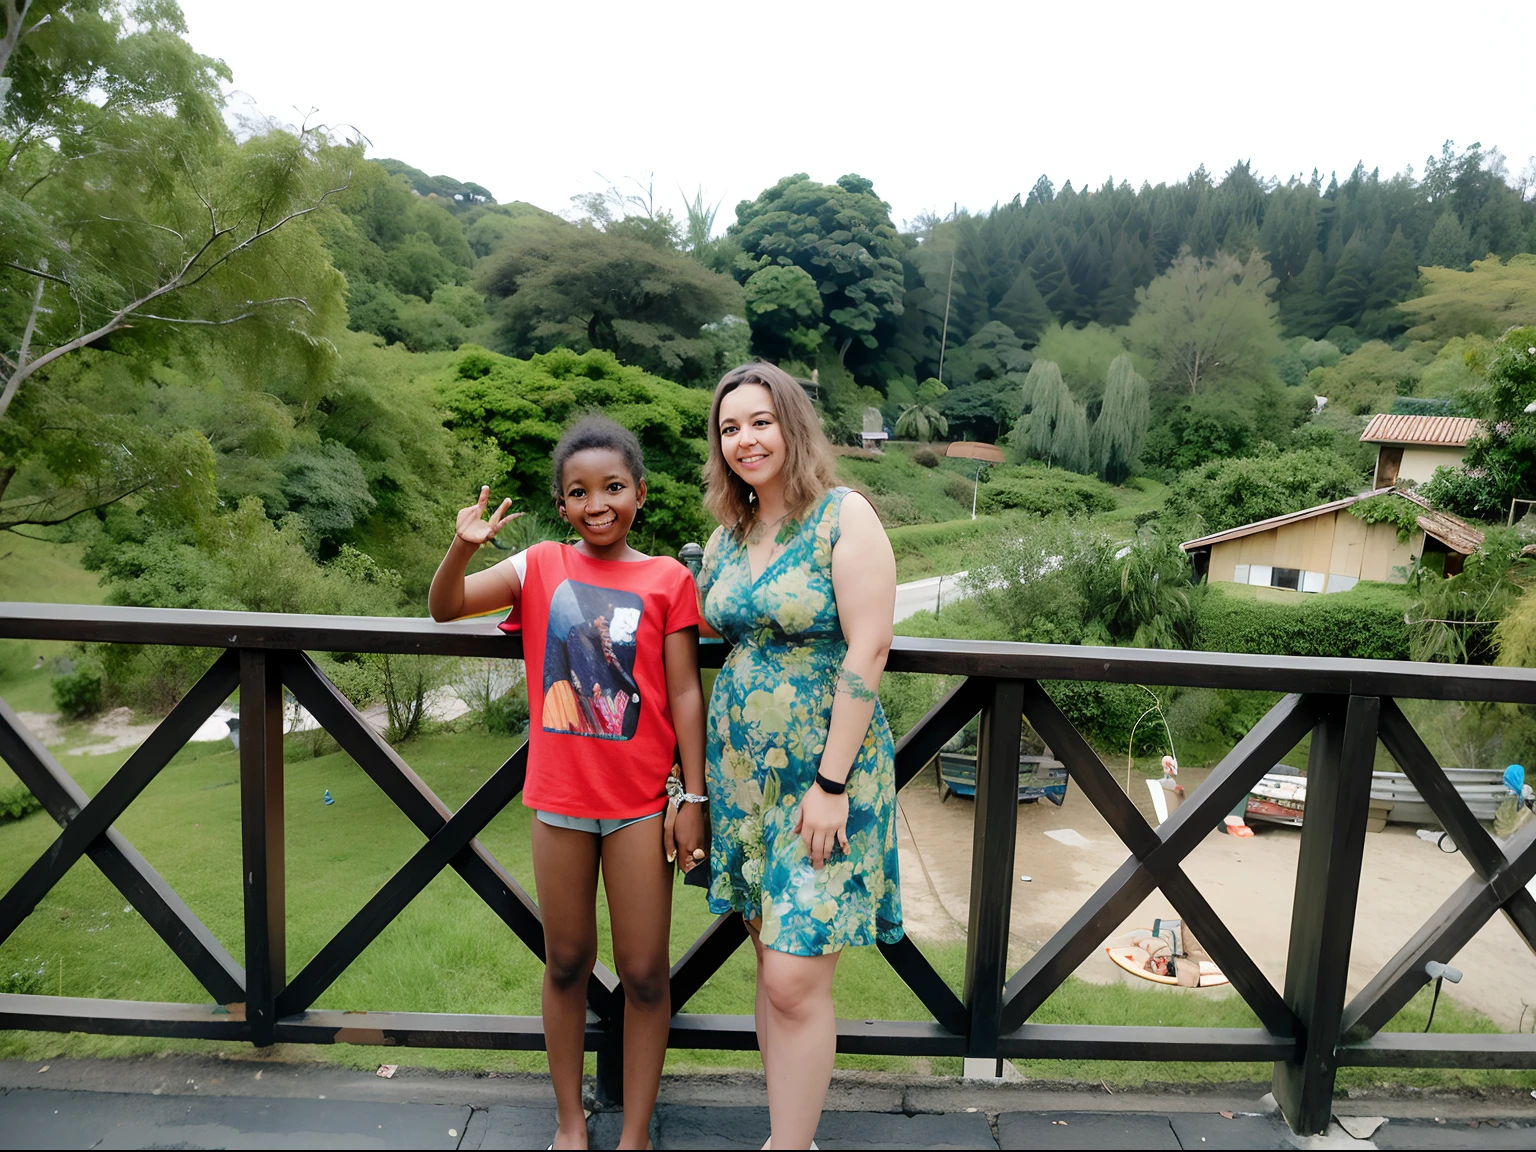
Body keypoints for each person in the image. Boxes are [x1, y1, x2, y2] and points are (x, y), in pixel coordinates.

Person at [428, 415, 708, 1151]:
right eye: (579, 492)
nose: (598, 504)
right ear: (562, 505)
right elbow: (445, 606)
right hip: (559, 803)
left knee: (646, 974)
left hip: (642, 807)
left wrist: (696, 798)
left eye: (614, 487)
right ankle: (570, 1124)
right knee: (566, 963)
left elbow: (683, 695)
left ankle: (636, 1135)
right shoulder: (539, 565)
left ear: (640, 494)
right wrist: (463, 545)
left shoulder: (669, 580)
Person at [695, 363, 902, 1149]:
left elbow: (870, 647)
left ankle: (788, 1146)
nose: (744, 439)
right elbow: (704, 628)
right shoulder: (729, 534)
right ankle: (792, 1136)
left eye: (759, 421)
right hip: (746, 784)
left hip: (825, 782)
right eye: (729, 428)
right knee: (770, 966)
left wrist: (830, 782)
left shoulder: (844, 516)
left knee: (792, 975)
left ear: (792, 424)